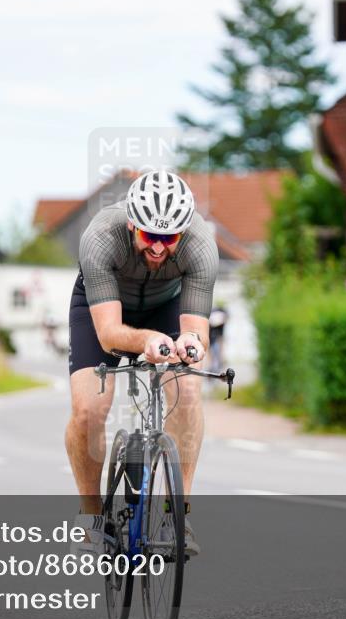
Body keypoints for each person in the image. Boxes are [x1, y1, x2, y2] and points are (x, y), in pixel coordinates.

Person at [65, 170, 218, 556]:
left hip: (166, 304)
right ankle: (91, 519)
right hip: (103, 308)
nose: (159, 248)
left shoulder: (200, 246)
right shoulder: (101, 238)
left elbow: (197, 332)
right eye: (150, 236)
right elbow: (110, 334)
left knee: (187, 390)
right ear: (132, 223)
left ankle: (176, 516)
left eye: (169, 238)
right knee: (88, 409)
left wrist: (191, 345)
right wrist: (147, 340)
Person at [208, 302, 229, 373]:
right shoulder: (214, 314)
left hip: (218, 337)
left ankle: (219, 363)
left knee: (218, 350)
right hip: (211, 337)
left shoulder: (222, 318)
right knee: (212, 351)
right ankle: (212, 365)